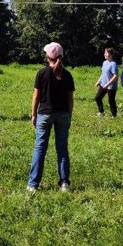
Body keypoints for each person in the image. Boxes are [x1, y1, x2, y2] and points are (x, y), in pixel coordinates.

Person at [27, 42, 75, 193]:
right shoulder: (67, 75)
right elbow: (70, 99)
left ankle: (33, 185)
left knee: (40, 149)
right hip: (63, 115)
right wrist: (69, 115)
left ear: (48, 56)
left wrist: (33, 114)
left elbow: (36, 97)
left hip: (45, 114)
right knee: (62, 149)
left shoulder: (42, 73)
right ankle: (64, 183)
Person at [94, 47, 118, 118]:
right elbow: (103, 73)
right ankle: (101, 112)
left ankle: (114, 115)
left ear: (111, 54)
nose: (105, 54)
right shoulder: (104, 63)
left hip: (111, 86)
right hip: (103, 84)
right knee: (97, 98)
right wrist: (99, 81)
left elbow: (115, 76)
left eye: (106, 53)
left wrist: (108, 84)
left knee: (111, 101)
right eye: (105, 53)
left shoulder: (113, 64)